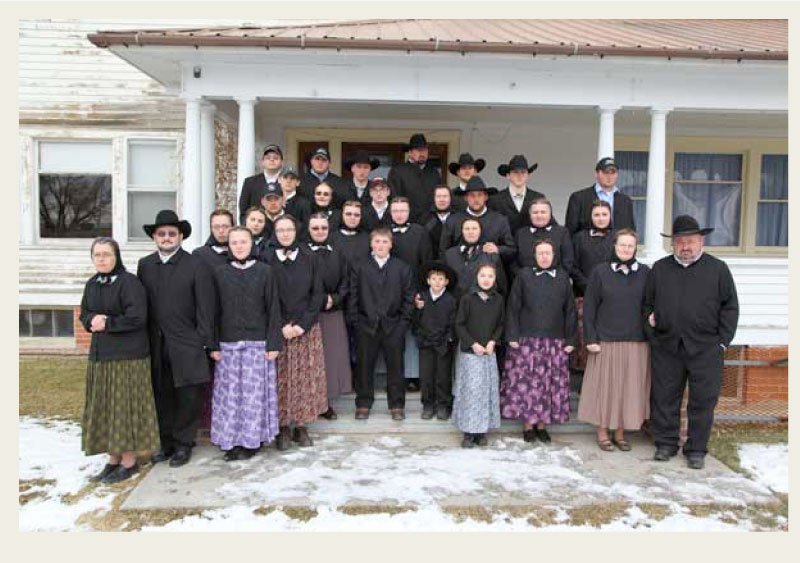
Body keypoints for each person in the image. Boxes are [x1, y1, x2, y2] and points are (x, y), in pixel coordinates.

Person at [644, 215, 739, 470]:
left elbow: (730, 307)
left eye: (691, 241)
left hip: (706, 349)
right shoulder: (660, 269)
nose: (686, 246)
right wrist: (653, 336)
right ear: (673, 243)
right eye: (680, 242)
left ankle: (696, 449)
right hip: (667, 347)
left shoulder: (718, 269)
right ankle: (665, 444)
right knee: (664, 398)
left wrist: (723, 342)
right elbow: (647, 305)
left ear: (701, 241)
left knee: (703, 401)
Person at [137, 210, 216, 467]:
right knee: (161, 394)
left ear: (180, 236)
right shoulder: (145, 265)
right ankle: (166, 442)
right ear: (155, 237)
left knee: (188, 396)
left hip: (187, 343)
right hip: (156, 342)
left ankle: (184, 443)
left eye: (172, 233)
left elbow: (206, 306)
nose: (167, 237)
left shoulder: (196, 264)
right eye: (162, 234)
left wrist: (204, 339)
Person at [80, 237, 159, 484]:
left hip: (127, 357)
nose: (102, 259)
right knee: (105, 408)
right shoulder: (92, 284)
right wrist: (89, 321)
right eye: (97, 255)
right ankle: (112, 460)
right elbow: (85, 313)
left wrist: (108, 322)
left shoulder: (129, 283)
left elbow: (138, 317)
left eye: (107, 254)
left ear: (117, 257)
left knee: (123, 410)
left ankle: (129, 461)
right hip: (101, 357)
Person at [209, 227, 282, 461]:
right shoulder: (220, 272)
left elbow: (273, 309)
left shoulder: (265, 272)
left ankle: (252, 441)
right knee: (230, 396)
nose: (239, 246)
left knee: (252, 396)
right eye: (234, 242)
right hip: (228, 343)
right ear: (229, 246)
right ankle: (231, 440)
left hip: (257, 343)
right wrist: (213, 345)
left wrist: (273, 343)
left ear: (252, 244)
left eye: (243, 241)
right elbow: (212, 311)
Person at [577, 229, 651, 452]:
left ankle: (620, 433)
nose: (626, 249)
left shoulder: (646, 273)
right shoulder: (600, 272)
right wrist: (590, 337)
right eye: (622, 245)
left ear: (635, 248)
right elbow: (589, 307)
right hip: (605, 340)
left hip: (636, 340)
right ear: (614, 246)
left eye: (630, 245)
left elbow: (650, 304)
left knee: (627, 390)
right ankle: (602, 432)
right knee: (605, 390)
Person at [501, 239, 577, 444]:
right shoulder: (524, 276)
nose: (544, 256)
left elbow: (570, 310)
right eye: (540, 253)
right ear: (534, 255)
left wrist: (571, 338)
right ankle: (528, 425)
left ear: (554, 255)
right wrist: (512, 335)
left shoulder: (562, 277)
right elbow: (513, 306)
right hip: (526, 340)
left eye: (548, 253)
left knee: (547, 386)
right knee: (527, 384)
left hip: (554, 341)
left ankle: (542, 425)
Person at [263, 215, 328, 450]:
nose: (285, 234)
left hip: (305, 328)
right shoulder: (267, 259)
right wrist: (280, 326)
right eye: (280, 230)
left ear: (296, 231)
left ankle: (301, 426)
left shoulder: (310, 258)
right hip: (277, 328)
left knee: (304, 379)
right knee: (280, 380)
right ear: (275, 233)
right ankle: (281, 428)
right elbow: (265, 297)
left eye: (289, 229)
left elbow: (317, 294)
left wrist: (302, 324)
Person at [347, 227, 415, 421]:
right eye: (377, 241)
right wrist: (356, 321)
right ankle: (363, 403)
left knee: (396, 367)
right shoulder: (359, 266)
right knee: (364, 367)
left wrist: (402, 323)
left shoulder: (402, 267)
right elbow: (353, 295)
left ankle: (396, 404)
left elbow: (409, 297)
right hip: (365, 325)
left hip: (393, 326)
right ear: (371, 244)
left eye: (385, 242)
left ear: (391, 245)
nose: (381, 245)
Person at [452, 263, 505, 448]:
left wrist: (492, 342)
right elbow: (459, 325)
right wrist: (473, 344)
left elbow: (500, 324)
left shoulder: (498, 300)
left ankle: (482, 431)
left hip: (488, 353)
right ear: (477, 277)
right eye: (483, 275)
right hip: (470, 352)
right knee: (470, 391)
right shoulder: (468, 299)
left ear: (494, 279)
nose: (486, 279)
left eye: (490, 276)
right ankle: (468, 432)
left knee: (485, 392)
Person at [306, 213, 353, 420]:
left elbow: (346, 281)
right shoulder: (301, 254)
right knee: (309, 361)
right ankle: (307, 402)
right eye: (315, 228)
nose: (319, 232)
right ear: (308, 230)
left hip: (332, 312)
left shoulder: (338, 254)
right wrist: (317, 300)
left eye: (323, 228)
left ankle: (325, 403)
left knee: (330, 359)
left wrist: (335, 298)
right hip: (307, 314)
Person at [192, 209, 234, 431]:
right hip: (209, 319)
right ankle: (209, 423)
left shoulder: (240, 251)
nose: (220, 231)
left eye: (225, 226)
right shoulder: (200, 255)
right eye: (216, 226)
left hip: (235, 321)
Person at [389, 196, 433, 392]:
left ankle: (414, 376)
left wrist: (422, 292)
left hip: (414, 291)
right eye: (396, 210)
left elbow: (427, 263)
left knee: (413, 335)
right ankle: (396, 376)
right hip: (389, 293)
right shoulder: (385, 233)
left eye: (403, 210)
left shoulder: (420, 232)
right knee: (394, 335)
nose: (399, 214)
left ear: (408, 212)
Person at [571, 200, 616, 381]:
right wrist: (589, 286)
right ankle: (582, 383)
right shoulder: (579, 238)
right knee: (584, 342)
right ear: (590, 217)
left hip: (610, 298)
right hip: (583, 294)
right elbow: (572, 266)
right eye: (596, 214)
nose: (600, 218)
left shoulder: (616, 238)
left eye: (604, 214)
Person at [413, 261, 458, 420]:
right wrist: (417, 310)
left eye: (441, 279)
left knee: (443, 376)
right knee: (426, 376)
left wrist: (447, 339)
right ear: (428, 281)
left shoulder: (451, 300)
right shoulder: (421, 298)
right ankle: (428, 404)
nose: (437, 282)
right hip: (426, 343)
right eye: (434, 278)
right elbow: (416, 321)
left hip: (443, 344)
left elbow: (453, 323)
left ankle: (443, 405)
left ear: (446, 281)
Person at [439, 176, 516, 261]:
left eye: (480, 195)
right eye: (472, 195)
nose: (476, 199)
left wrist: (497, 249)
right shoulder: (453, 220)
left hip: (491, 270)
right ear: (466, 198)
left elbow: (511, 249)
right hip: (460, 270)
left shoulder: (499, 220)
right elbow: (443, 251)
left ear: (486, 197)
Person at [565, 157, 636, 236]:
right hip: (588, 247)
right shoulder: (579, 198)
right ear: (596, 174)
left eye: (613, 172)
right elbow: (570, 231)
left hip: (618, 247)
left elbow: (631, 231)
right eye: (605, 172)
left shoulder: (625, 201)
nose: (609, 176)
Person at [443, 217, 508, 300]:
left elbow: (502, 286)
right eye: (467, 229)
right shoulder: (450, 254)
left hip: (482, 307)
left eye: (474, 228)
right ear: (461, 231)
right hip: (454, 306)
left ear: (480, 231)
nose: (471, 232)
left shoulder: (490, 254)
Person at [512, 197, 575, 279]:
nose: (539, 215)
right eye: (535, 212)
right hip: (525, 282)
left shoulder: (562, 233)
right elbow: (513, 261)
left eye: (543, 212)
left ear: (550, 214)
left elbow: (568, 261)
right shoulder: (520, 234)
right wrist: (523, 277)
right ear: (529, 215)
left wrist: (558, 279)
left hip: (556, 283)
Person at [388, 133, 442, 224]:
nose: (422, 153)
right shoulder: (398, 172)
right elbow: (395, 199)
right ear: (410, 152)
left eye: (424, 150)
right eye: (418, 150)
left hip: (431, 225)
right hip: (407, 223)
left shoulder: (434, 173)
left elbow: (438, 199)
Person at [489, 155, 546, 234]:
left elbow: (548, 224)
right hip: (503, 245)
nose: (519, 176)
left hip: (532, 244)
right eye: (515, 172)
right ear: (508, 176)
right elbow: (491, 228)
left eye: (523, 172)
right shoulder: (495, 200)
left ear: (528, 176)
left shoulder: (538, 198)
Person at [238, 144, 283, 225]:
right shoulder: (250, 182)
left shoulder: (288, 182)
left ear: (281, 162)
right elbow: (243, 210)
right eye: (268, 158)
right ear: (262, 162)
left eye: (276, 158)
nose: (272, 160)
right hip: (256, 229)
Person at [424, 185, 454, 260]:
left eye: (445, 196)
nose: (442, 200)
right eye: (438, 196)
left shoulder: (458, 219)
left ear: (450, 198)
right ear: (434, 199)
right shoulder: (425, 220)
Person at [279, 165, 312, 229]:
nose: (288, 181)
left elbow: (306, 226)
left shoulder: (304, 203)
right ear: (279, 180)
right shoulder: (274, 200)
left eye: (292, 178)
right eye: (285, 177)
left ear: (298, 183)